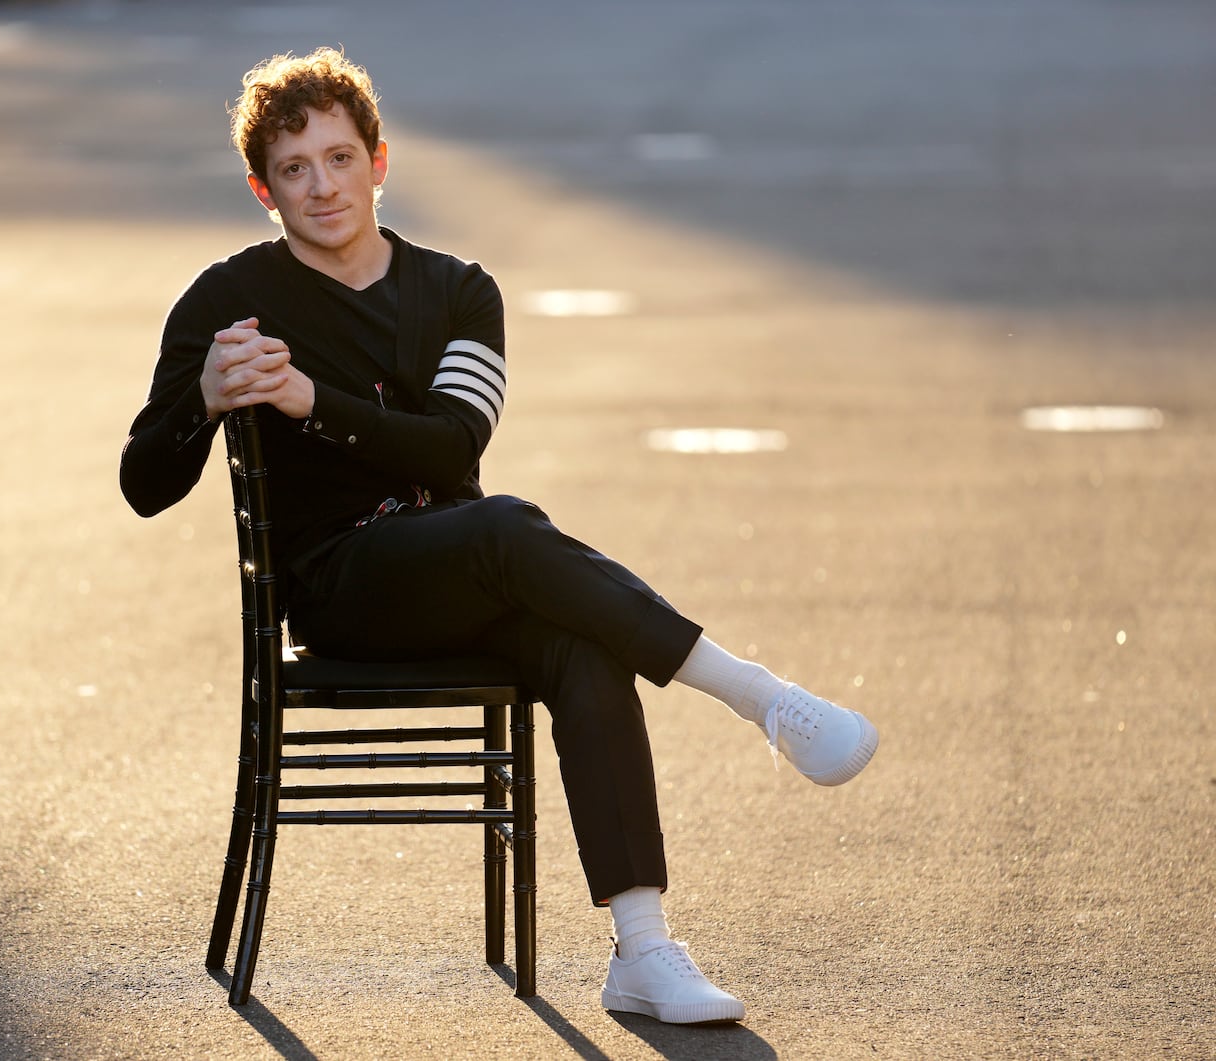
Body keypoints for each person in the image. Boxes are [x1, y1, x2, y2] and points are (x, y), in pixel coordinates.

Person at [120, 46, 878, 1025]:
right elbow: (144, 482)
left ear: (380, 162)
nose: (323, 186)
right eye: (296, 169)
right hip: (343, 592)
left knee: (576, 633)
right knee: (509, 528)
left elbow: (451, 447)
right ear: (263, 188)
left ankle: (642, 948)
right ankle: (757, 694)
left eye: (340, 158)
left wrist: (313, 400)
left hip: (462, 562)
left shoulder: (459, 291)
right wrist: (202, 400)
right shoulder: (228, 298)